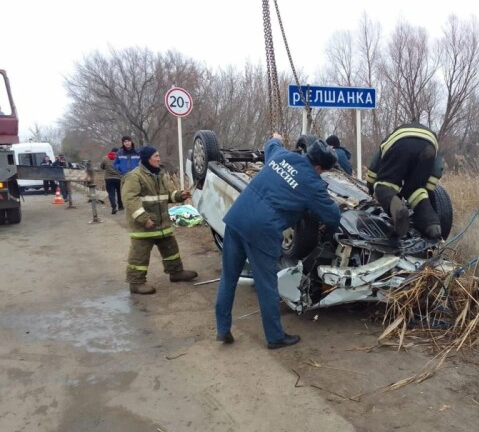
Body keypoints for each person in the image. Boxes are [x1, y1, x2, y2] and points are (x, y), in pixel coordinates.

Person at [215, 133, 341, 349]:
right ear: (320, 167)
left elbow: (270, 144)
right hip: (262, 230)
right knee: (267, 285)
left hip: (237, 218)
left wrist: (277, 138)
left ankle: (223, 329)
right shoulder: (313, 183)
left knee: (228, 278)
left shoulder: (281, 156)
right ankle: (275, 337)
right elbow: (332, 217)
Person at [121, 145, 198, 294]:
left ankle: (176, 273)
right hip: (144, 227)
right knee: (139, 256)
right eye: (156, 156)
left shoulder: (158, 175)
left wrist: (178, 195)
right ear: (147, 159)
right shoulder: (134, 177)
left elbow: (165, 195)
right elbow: (130, 200)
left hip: (162, 225)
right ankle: (136, 283)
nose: (159, 158)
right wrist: (144, 218)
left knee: (171, 249)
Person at [365, 122, 444, 239]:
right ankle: (432, 225)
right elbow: (438, 166)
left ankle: (398, 211)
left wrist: (372, 186)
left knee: (384, 186)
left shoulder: (392, 137)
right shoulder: (431, 136)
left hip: (400, 145)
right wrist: (427, 189)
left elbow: (374, 165)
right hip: (429, 148)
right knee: (416, 190)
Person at [100, 148, 124, 214]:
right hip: (118, 178)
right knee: (119, 193)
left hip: (108, 178)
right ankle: (120, 206)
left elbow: (102, 167)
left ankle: (114, 207)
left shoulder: (105, 158)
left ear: (111, 151)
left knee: (111, 193)